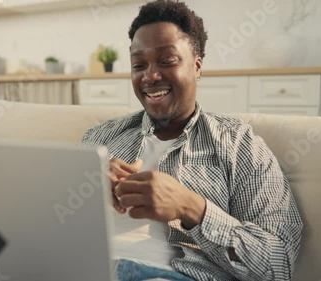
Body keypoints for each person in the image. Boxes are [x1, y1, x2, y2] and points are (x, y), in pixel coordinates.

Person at [80, 1, 303, 280]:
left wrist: (191, 207)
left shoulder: (238, 143)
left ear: (197, 67)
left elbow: (278, 264)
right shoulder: (100, 138)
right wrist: (82, 189)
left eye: (167, 61)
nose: (150, 75)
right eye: (139, 64)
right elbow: (41, 228)